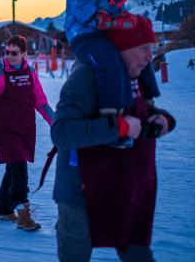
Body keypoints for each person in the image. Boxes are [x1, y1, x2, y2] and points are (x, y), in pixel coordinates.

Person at [51, 17, 176, 262]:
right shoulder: (87, 76)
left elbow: (148, 111)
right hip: (81, 193)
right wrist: (117, 127)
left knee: (138, 254)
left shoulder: (135, 76)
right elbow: (62, 132)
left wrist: (163, 121)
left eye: (151, 49)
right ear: (123, 46)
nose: (149, 57)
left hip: (124, 189)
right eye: (143, 49)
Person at [0, 35, 54, 231]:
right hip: (5, 130)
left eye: (14, 53)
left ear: (24, 54)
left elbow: (41, 101)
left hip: (24, 128)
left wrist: (55, 122)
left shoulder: (30, 72)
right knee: (19, 167)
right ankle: (23, 215)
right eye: (7, 52)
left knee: (13, 168)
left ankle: (3, 209)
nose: (10, 56)